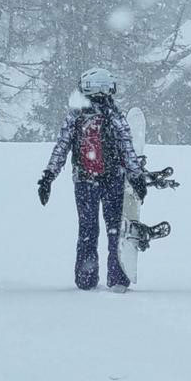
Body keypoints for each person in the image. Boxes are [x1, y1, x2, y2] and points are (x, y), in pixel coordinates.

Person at [37, 68, 147, 292]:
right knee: (115, 229)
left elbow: (62, 147)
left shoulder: (76, 115)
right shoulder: (114, 115)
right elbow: (127, 148)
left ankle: (86, 278)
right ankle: (117, 278)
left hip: (84, 181)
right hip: (113, 180)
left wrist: (48, 176)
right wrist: (136, 176)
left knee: (87, 229)